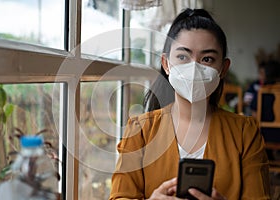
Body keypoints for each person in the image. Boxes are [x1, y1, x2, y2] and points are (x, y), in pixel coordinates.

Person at [109, 8, 270, 200]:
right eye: (183, 57)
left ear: (223, 68)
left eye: (207, 59)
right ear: (166, 64)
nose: (194, 68)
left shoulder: (245, 133)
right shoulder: (141, 131)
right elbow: (120, 196)